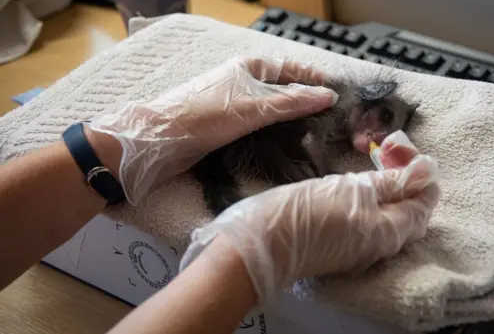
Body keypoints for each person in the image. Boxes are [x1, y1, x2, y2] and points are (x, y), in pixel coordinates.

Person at [0, 56, 441, 333]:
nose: (381, 133)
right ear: (369, 99)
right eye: (381, 118)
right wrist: (249, 258)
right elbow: (309, 145)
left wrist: (112, 149)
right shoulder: (337, 109)